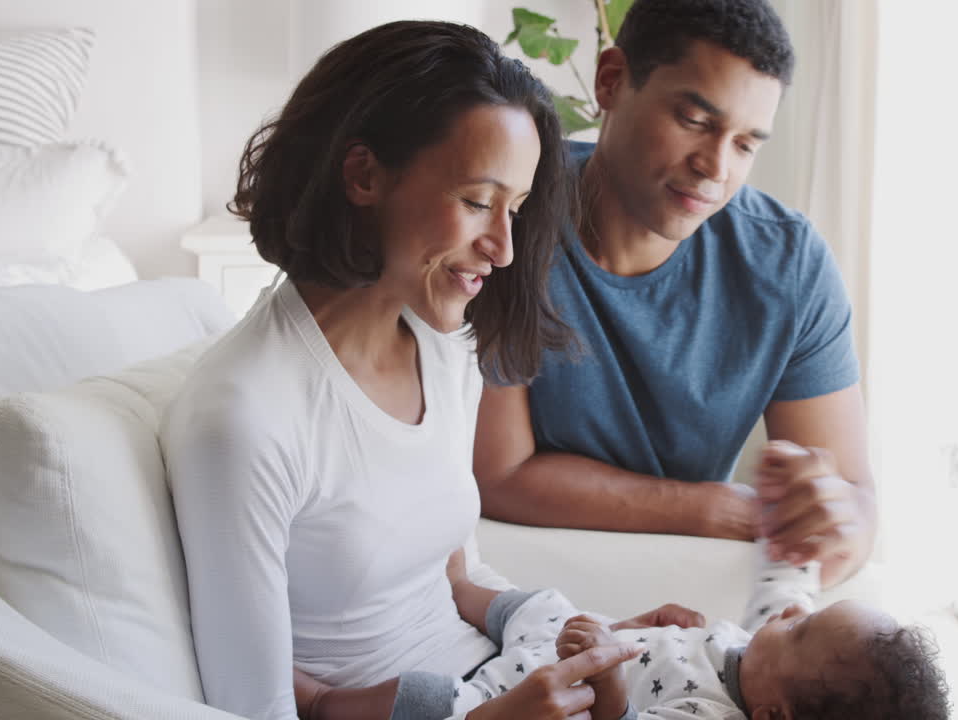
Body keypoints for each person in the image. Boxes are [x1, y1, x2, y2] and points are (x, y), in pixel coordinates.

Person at [162, 21, 644, 720]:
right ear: (362, 175)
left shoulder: (446, 352)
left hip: (498, 681)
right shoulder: (244, 419)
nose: (504, 249)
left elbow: (457, 578)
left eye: (516, 208)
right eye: (479, 202)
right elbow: (258, 711)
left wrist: (591, 642)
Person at [474, 0, 877, 591]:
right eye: (694, 119)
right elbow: (502, 474)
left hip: (691, 592)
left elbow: (855, 504)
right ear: (611, 81)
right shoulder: (512, 216)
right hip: (519, 584)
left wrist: (840, 522)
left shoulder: (788, 265)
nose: (715, 166)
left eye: (745, 144)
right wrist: (708, 508)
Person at [299, 549, 950, 720]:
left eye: (801, 631)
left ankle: (319, 704)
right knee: (547, 604)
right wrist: (792, 536)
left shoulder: (712, 715)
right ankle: (464, 590)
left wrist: (610, 682)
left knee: (437, 703)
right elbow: (784, 591)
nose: (786, 617)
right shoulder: (757, 656)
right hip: (573, 640)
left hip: (530, 697)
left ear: (775, 715)